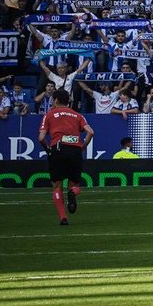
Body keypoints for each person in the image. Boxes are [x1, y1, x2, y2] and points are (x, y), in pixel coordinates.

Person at [38, 88, 94, 226]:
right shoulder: (77, 115)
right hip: (75, 150)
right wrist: (82, 147)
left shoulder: (49, 114)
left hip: (57, 149)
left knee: (57, 186)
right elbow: (91, 132)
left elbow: (41, 138)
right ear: (68, 101)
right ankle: (73, 192)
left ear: (55, 100)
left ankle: (63, 217)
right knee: (74, 184)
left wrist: (48, 150)